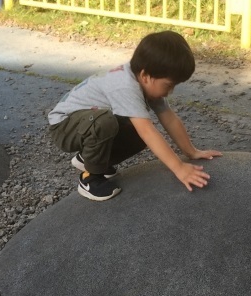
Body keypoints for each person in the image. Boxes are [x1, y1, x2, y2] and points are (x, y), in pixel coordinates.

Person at [48, 30, 222, 201]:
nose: (170, 92)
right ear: (146, 76)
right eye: (169, 85)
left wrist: (191, 152)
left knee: (136, 133)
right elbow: (147, 131)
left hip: (85, 124)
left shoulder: (146, 82)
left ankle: (90, 157)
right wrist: (179, 168)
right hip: (64, 126)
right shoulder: (125, 85)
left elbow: (169, 118)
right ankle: (90, 178)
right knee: (109, 123)